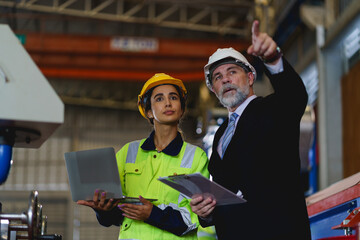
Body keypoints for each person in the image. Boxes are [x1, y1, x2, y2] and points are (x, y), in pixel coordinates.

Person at [190, 20, 311, 240]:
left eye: (232, 71)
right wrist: (207, 213)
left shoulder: (272, 111)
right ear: (214, 89)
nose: (225, 79)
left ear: (251, 77)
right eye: (217, 77)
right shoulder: (221, 134)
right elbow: (227, 192)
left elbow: (294, 96)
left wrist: (273, 58)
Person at [78, 73, 210, 240]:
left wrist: (152, 214)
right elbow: (116, 216)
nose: (168, 103)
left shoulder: (195, 157)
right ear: (149, 111)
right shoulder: (128, 152)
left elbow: (193, 219)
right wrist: (102, 210)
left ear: (182, 109)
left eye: (173, 97)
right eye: (159, 99)